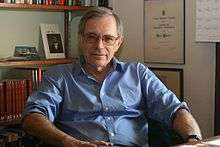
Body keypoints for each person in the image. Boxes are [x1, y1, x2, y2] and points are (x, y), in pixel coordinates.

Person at [22, 7, 202, 147]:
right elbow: (33, 117)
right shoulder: (59, 76)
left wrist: (194, 140)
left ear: (118, 43)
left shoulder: (138, 73)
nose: (99, 46)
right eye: (91, 37)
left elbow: (176, 110)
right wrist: (67, 142)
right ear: (81, 40)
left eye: (107, 39)